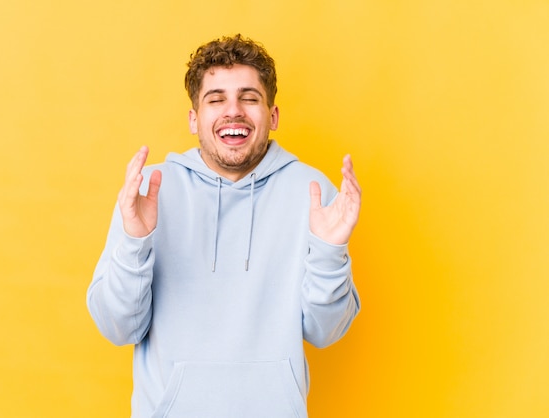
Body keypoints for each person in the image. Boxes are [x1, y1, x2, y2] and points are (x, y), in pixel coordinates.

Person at [87, 34, 361, 418]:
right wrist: (136, 241)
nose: (233, 111)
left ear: (273, 115)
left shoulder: (312, 192)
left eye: (249, 98)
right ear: (194, 119)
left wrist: (330, 253)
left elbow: (325, 331)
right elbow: (117, 327)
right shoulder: (149, 191)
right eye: (216, 99)